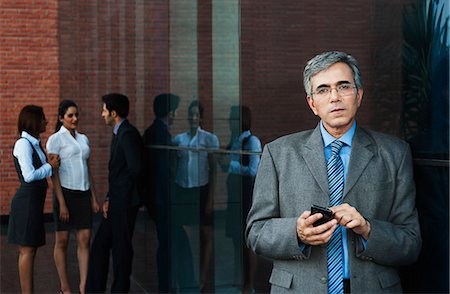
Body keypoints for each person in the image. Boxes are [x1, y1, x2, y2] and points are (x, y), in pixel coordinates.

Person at [245, 51, 422, 293]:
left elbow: (410, 243)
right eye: (323, 90)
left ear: (359, 95)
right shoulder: (278, 154)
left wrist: (368, 229)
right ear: (312, 103)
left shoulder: (395, 154)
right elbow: (256, 233)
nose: (335, 97)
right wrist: (296, 233)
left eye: (343, 86)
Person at [86, 93, 144, 293]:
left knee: (121, 251)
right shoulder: (120, 133)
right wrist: (110, 198)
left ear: (114, 113)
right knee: (100, 246)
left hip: (125, 203)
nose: (102, 114)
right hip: (117, 202)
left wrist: (123, 198)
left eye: (104, 110)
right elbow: (119, 173)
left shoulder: (128, 134)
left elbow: (136, 169)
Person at [46, 100, 100, 294]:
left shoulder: (84, 139)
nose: (75, 119)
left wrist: (94, 198)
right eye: (70, 115)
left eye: (76, 115)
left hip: (84, 193)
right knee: (62, 241)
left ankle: (84, 286)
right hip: (65, 195)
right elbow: (54, 173)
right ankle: (65, 287)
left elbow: (88, 169)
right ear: (61, 118)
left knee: (85, 238)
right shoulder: (55, 140)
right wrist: (61, 203)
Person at [8, 105, 60, 293]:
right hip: (26, 203)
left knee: (31, 250)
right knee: (27, 251)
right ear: (33, 121)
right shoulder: (23, 144)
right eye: (43, 118)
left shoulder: (35, 143)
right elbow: (29, 175)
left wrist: (49, 163)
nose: (46, 121)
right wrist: (50, 166)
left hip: (34, 202)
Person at [172, 100, 219, 292]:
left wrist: (210, 199)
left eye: (196, 114)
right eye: (190, 114)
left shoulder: (209, 139)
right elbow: (174, 167)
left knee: (205, 235)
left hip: (202, 190)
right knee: (184, 238)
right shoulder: (178, 140)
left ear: (201, 117)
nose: (193, 118)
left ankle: (201, 278)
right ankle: (184, 276)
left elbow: (214, 170)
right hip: (183, 190)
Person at [142, 93, 183, 293]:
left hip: (158, 199)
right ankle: (166, 287)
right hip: (162, 199)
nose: (176, 114)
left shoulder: (155, 131)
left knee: (168, 243)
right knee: (167, 245)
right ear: (169, 112)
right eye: (174, 110)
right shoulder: (160, 133)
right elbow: (162, 172)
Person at [220, 105, 262, 293]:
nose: (229, 122)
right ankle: (240, 280)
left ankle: (249, 284)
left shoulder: (252, 142)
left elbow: (254, 170)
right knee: (236, 241)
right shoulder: (234, 141)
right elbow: (228, 167)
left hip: (246, 197)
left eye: (232, 118)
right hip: (234, 196)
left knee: (247, 243)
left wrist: (232, 165)